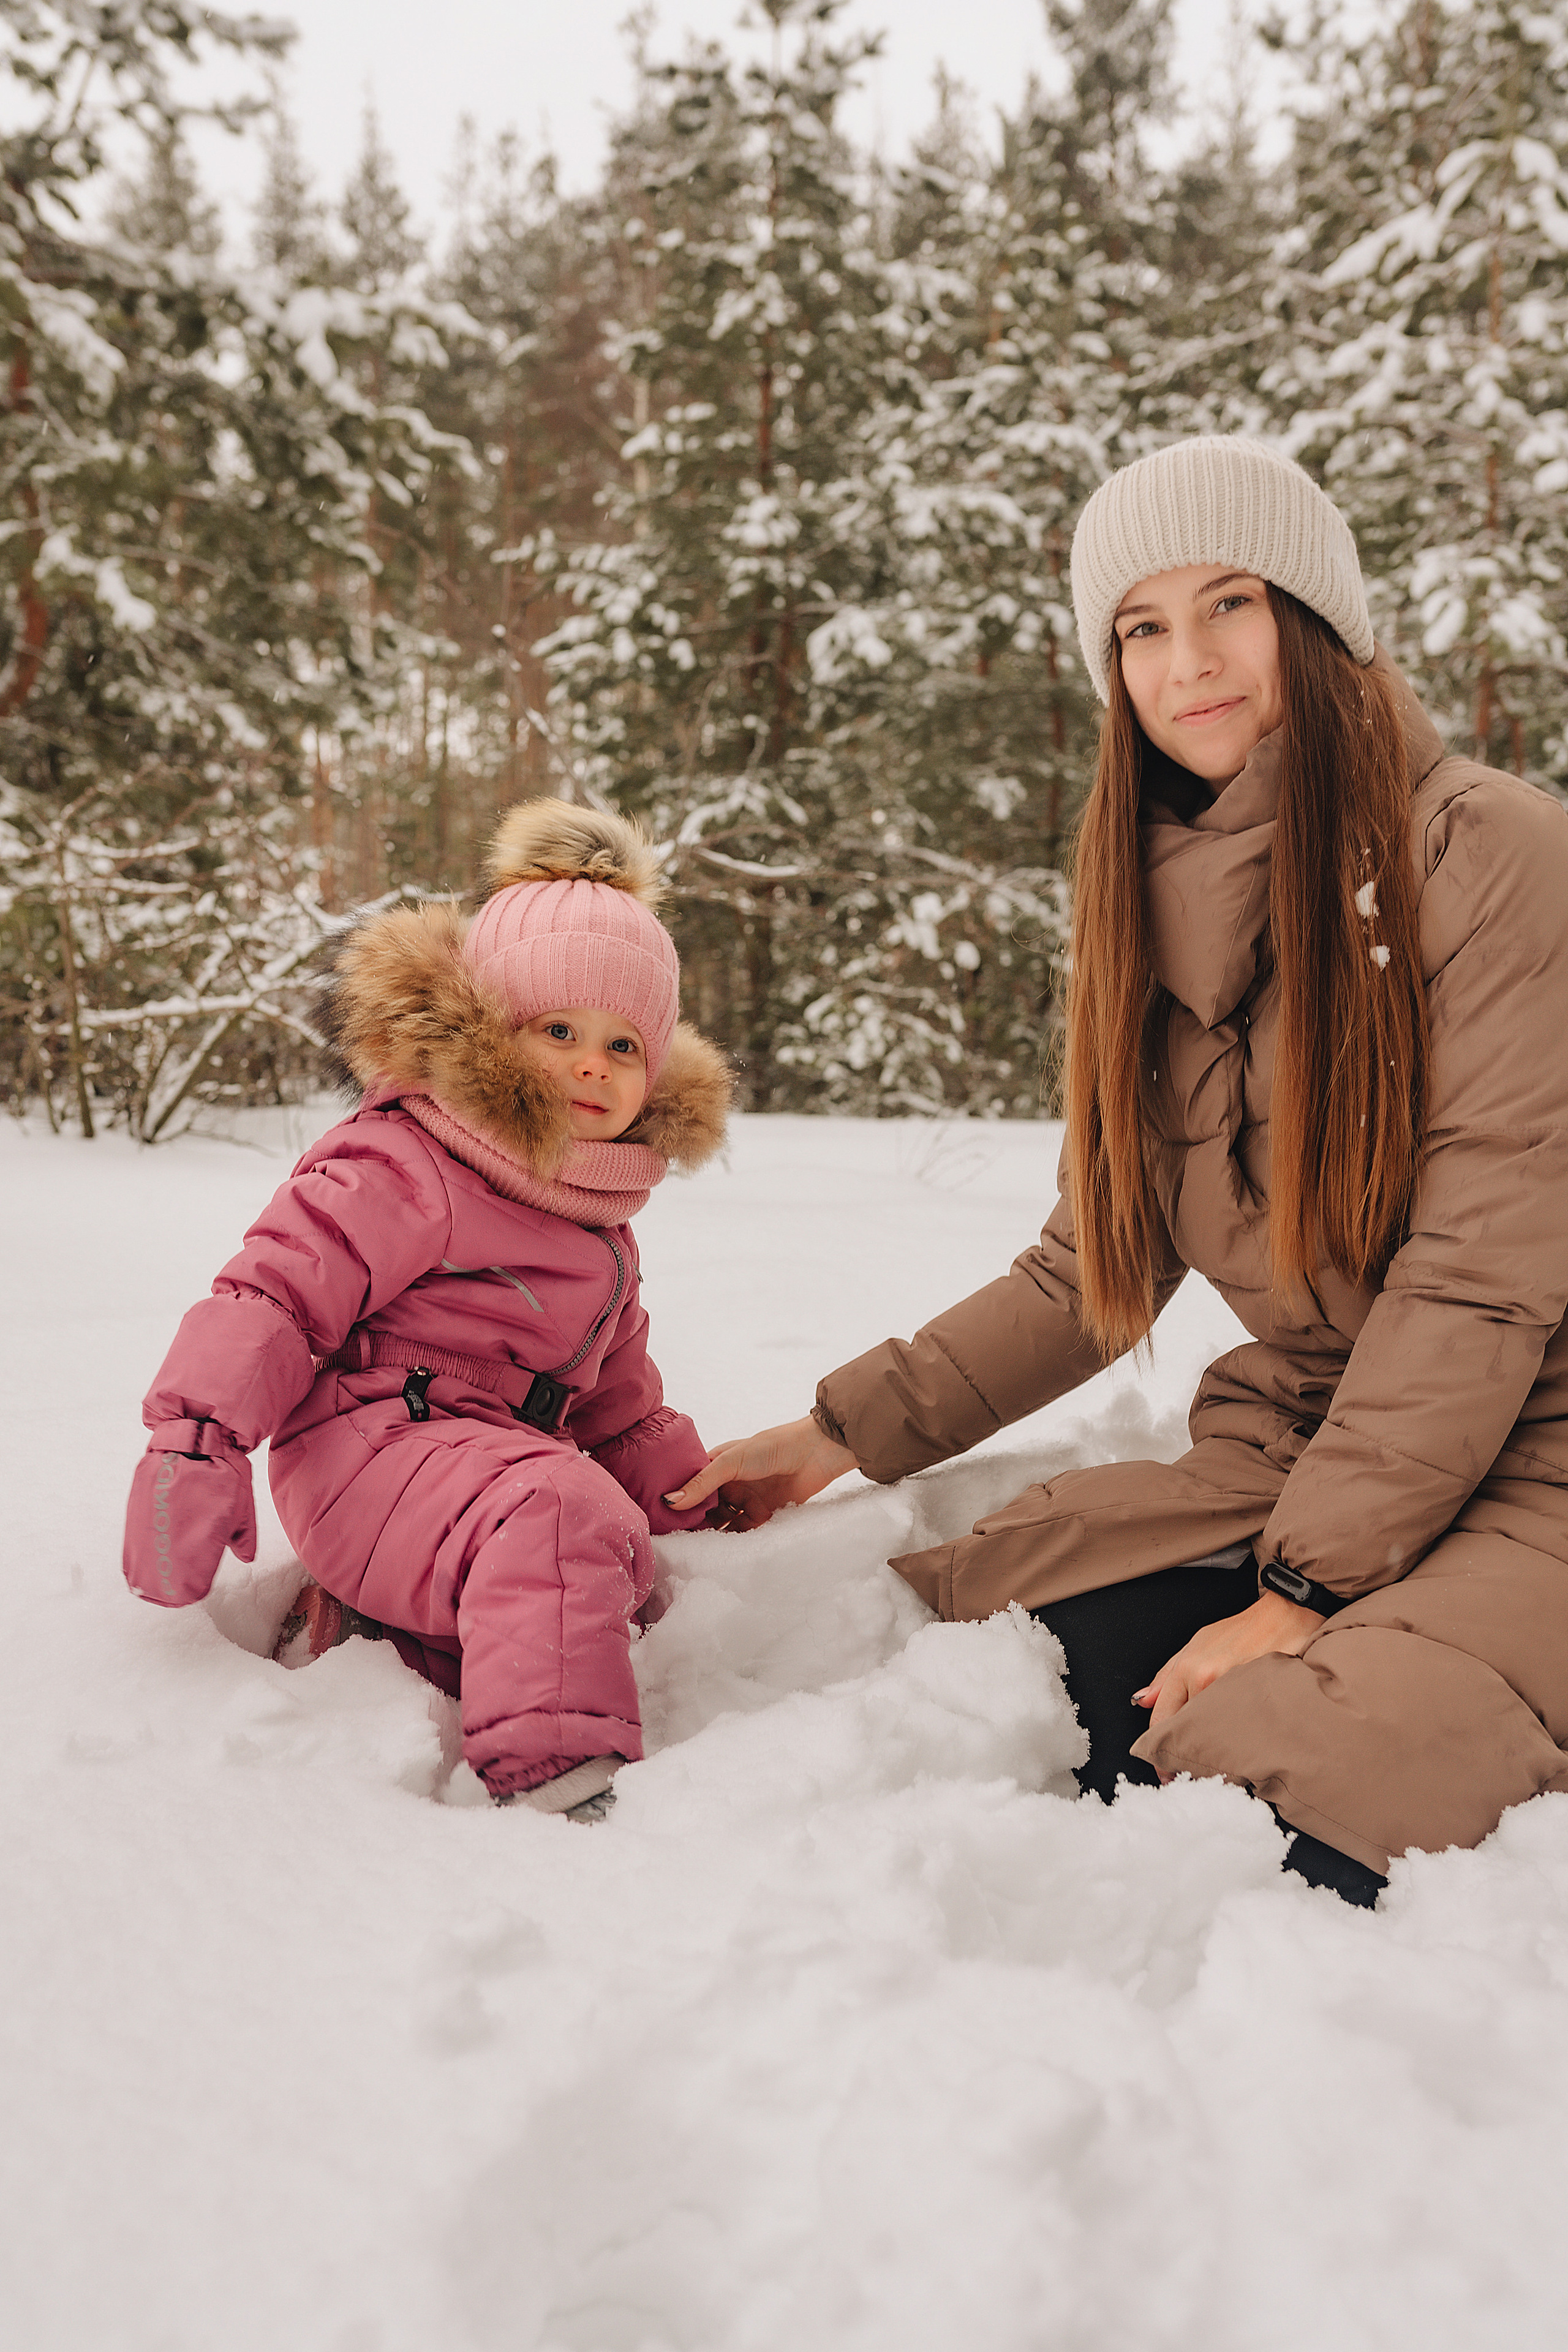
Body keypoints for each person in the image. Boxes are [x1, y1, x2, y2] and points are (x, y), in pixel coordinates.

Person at [667, 435, 1568, 1905]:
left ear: (1314, 618)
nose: (1184, 663)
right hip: (1321, 1431)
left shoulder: (1487, 853)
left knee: (1289, 1788)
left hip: (1542, 1441)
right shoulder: (1146, 904)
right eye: (1138, 628)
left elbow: (1478, 1279)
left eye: (1228, 604)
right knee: (1027, 1633)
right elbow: (1090, 1260)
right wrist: (840, 1431)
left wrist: (1301, 1592)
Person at [123, 801, 730, 1821]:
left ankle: (372, 1631)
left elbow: (616, 1403)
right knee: (554, 1519)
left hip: (478, 1460)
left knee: (616, 1555)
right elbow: (271, 1295)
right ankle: (558, 1782)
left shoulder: (599, 1218)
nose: (592, 1063)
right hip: (362, 1449)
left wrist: (693, 1494)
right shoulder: (408, 1160)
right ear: (492, 1026)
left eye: (625, 1045)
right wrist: (194, 1441)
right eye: (559, 1030)